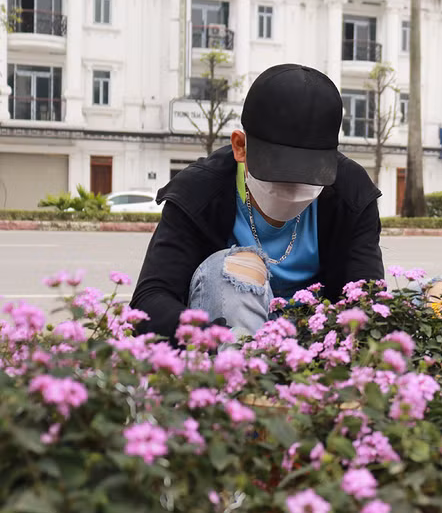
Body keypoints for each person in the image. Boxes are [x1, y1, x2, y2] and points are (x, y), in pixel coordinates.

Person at [131, 64, 384, 340]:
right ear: (241, 147)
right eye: (278, 174)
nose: (292, 189)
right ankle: (241, 374)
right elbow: (151, 299)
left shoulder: (352, 194)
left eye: (309, 177)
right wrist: (215, 340)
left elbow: (368, 298)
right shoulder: (199, 193)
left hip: (314, 342)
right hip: (228, 340)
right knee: (239, 267)